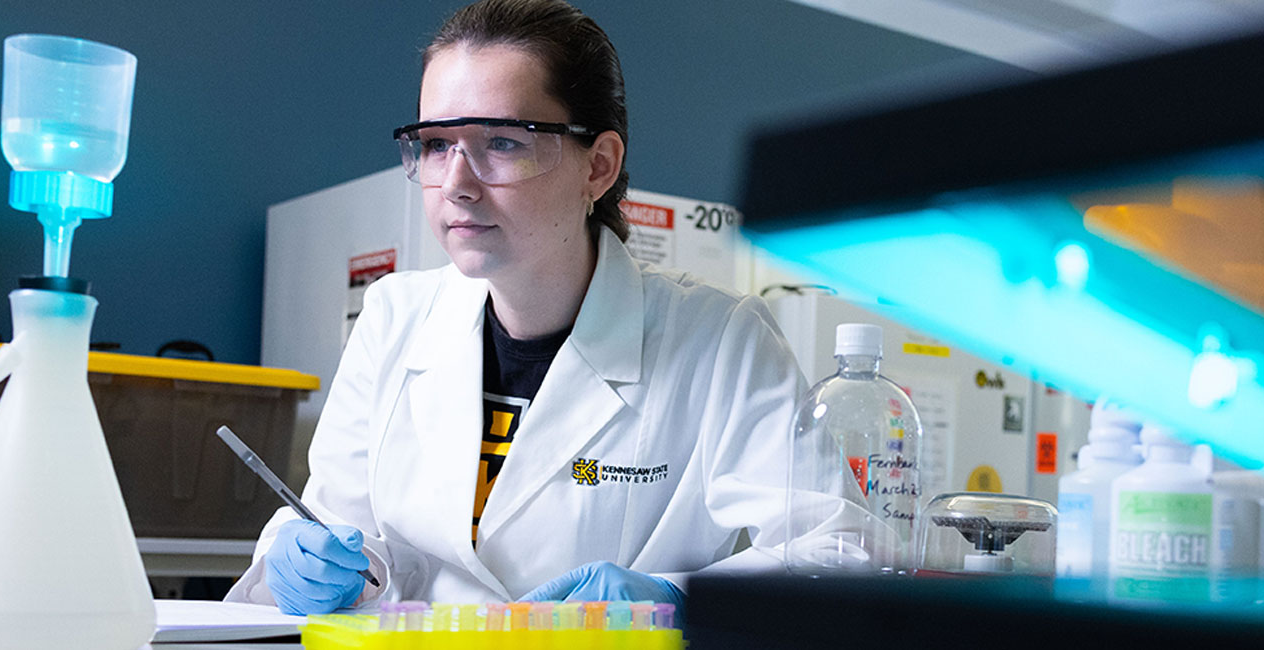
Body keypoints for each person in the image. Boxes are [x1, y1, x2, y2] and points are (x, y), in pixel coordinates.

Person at [225, 0, 844, 615]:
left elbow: (838, 549)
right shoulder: (394, 319)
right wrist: (304, 558)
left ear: (598, 167)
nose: (458, 183)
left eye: (501, 141)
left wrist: (673, 599)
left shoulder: (719, 339)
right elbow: (341, 532)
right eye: (437, 144)